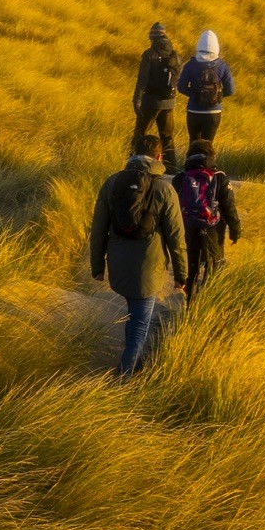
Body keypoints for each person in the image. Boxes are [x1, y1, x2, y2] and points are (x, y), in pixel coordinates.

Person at [89, 134, 188, 377]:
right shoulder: (165, 188)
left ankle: (132, 359)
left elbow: (99, 228)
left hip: (118, 262)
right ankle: (126, 374)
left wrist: (97, 266)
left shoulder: (112, 183)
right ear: (158, 156)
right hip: (149, 265)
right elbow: (176, 235)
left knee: (135, 316)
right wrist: (181, 273)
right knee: (139, 323)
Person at [174, 141, 241, 311]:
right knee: (214, 263)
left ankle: (190, 302)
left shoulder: (180, 178)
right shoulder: (219, 177)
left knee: (193, 266)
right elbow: (229, 207)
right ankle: (209, 303)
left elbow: (173, 208)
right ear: (212, 156)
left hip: (188, 227)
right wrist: (235, 230)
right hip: (213, 229)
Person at [131, 22, 181, 166]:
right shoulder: (175, 54)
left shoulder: (149, 54)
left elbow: (142, 80)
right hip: (169, 102)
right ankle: (171, 167)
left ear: (152, 38)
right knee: (167, 136)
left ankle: (134, 163)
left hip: (151, 101)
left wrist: (137, 101)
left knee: (140, 133)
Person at [177, 29, 234, 154]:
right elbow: (230, 90)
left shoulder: (191, 65)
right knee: (208, 146)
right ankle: (206, 171)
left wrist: (194, 94)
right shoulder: (222, 66)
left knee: (193, 144)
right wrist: (217, 96)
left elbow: (181, 87)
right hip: (214, 113)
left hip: (193, 111)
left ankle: (190, 170)